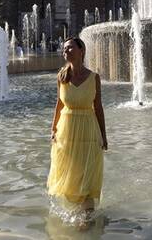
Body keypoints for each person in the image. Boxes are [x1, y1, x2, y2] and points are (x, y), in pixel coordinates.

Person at [47, 37, 107, 222]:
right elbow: (59, 104)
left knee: (87, 172)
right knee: (71, 172)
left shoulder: (94, 78)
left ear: (82, 51)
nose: (66, 51)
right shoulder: (62, 76)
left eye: (70, 48)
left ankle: (86, 216)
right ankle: (75, 211)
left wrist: (104, 136)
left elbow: (98, 107)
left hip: (88, 130)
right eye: (64, 49)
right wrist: (53, 128)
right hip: (66, 131)